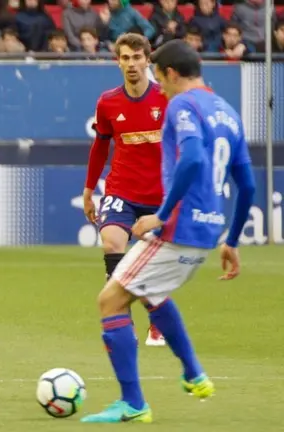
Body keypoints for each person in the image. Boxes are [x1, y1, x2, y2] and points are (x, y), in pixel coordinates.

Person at [81, 39, 256, 423]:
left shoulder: (180, 104)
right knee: (152, 292)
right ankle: (194, 374)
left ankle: (133, 404)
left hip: (178, 225)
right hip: (207, 232)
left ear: (171, 73)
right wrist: (232, 240)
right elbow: (248, 185)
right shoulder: (226, 111)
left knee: (110, 301)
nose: (158, 87)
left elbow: (190, 157)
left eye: (159, 77)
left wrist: (160, 215)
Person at [83, 32, 168, 347]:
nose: (131, 64)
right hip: (121, 190)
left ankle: (157, 321)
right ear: (117, 62)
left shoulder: (166, 99)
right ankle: (122, 321)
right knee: (111, 243)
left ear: (148, 60)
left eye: (137, 57)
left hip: (159, 195)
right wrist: (89, 190)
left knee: (152, 261)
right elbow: (100, 148)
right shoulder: (108, 102)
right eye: (125, 58)